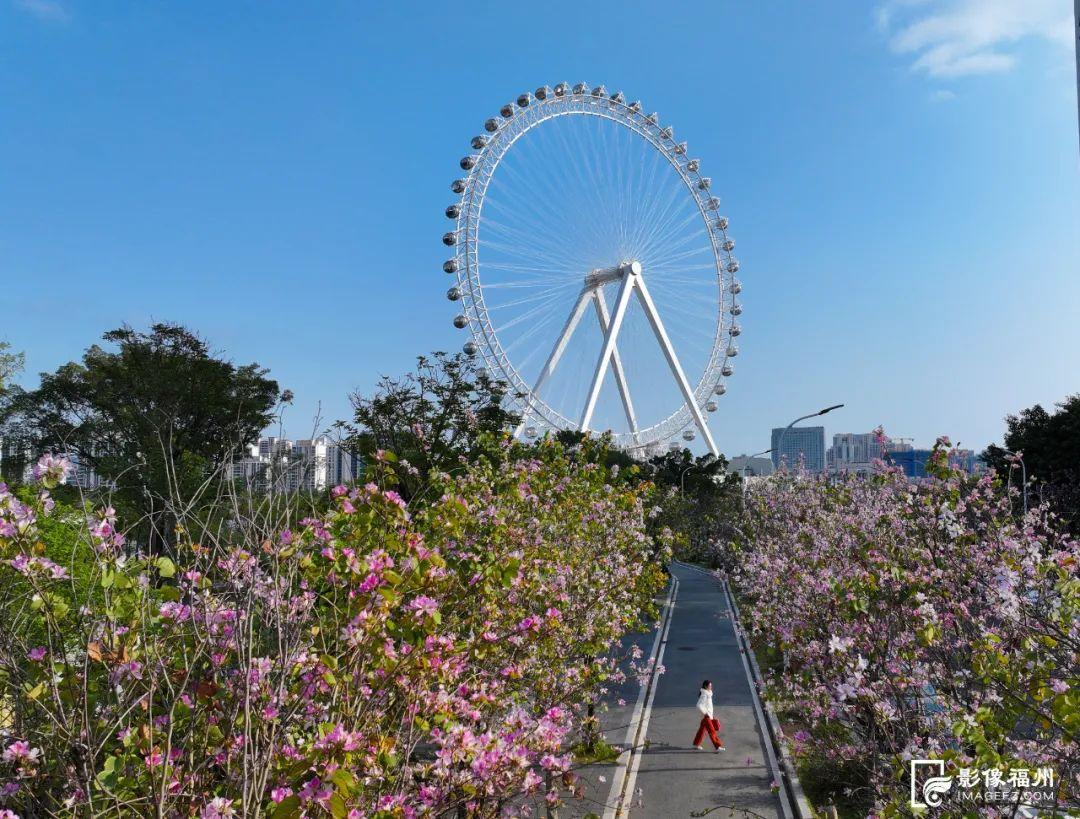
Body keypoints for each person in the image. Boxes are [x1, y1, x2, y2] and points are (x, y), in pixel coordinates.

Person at [692, 679, 725, 752]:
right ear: (706, 686)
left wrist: (710, 714)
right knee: (712, 731)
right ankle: (718, 746)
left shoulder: (708, 694)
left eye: (711, 686)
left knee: (702, 730)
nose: (711, 687)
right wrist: (706, 713)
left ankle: (696, 743)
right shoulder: (704, 695)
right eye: (710, 686)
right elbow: (699, 705)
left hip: (707, 716)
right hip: (706, 717)